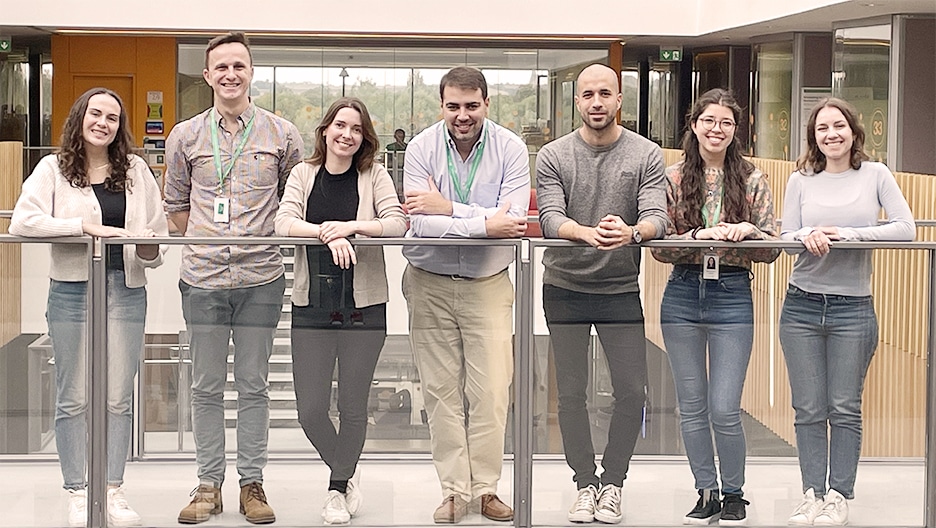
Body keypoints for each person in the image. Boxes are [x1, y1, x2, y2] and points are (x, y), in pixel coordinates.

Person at [10, 87, 168, 527]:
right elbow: (24, 220)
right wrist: (82, 227)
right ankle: (77, 491)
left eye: (113, 117)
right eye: (95, 114)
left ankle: (112, 489)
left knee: (118, 397)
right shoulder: (53, 168)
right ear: (80, 117)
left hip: (126, 288)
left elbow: (155, 237)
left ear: (120, 127)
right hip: (72, 291)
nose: (103, 123)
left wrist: (150, 246)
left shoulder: (135, 169)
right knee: (73, 396)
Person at [164, 31, 304, 525]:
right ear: (207, 76)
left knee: (253, 384)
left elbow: (291, 203)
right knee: (204, 385)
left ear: (251, 73)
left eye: (238, 66)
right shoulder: (184, 136)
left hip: (261, 278)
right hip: (201, 278)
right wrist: (211, 238)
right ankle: (207, 484)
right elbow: (176, 207)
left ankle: (251, 483)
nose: (230, 75)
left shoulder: (282, 134)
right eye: (220, 67)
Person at [535, 63, 668, 525]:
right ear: (577, 101)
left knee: (633, 391)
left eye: (604, 94)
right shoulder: (553, 155)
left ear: (619, 101)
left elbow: (658, 218)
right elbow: (549, 218)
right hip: (564, 287)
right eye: (587, 94)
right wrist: (585, 233)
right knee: (570, 393)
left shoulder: (647, 154)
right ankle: (584, 483)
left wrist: (632, 231)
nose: (596, 102)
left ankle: (612, 482)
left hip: (618, 287)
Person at [401, 66, 529, 524]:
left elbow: (510, 224)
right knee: (440, 392)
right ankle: (454, 491)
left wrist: (449, 209)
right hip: (429, 282)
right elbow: (419, 224)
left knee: (492, 392)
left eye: (471, 106)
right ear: (441, 105)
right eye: (453, 106)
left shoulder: (511, 149)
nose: (462, 115)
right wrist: (482, 221)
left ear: (487, 104)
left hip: (487, 286)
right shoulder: (420, 148)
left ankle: (487, 489)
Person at [779, 97, 914, 526]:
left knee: (844, 407)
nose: (831, 134)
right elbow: (783, 237)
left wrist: (851, 233)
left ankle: (838, 494)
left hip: (853, 309)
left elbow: (906, 228)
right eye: (822, 128)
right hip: (801, 305)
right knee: (808, 408)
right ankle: (811, 493)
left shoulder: (875, 174)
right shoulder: (800, 179)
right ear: (813, 137)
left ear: (854, 132)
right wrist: (807, 234)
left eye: (839, 126)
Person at [650, 88, 780, 525]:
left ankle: (735, 493)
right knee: (692, 405)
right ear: (694, 125)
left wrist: (748, 232)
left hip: (732, 292)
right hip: (683, 293)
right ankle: (705, 489)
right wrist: (695, 238)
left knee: (724, 406)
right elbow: (659, 246)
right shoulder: (672, 177)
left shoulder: (753, 178)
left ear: (734, 129)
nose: (716, 129)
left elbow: (773, 247)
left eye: (725, 122)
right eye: (709, 121)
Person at [274, 97, 406, 525]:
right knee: (310, 410)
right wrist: (326, 235)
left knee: (352, 406)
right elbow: (283, 223)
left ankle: (335, 489)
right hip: (312, 305)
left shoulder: (375, 174)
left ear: (363, 137)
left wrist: (351, 227)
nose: (347, 135)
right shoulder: (303, 173)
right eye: (340, 126)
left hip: (363, 307)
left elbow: (396, 223)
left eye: (356, 129)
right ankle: (346, 469)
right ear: (326, 130)